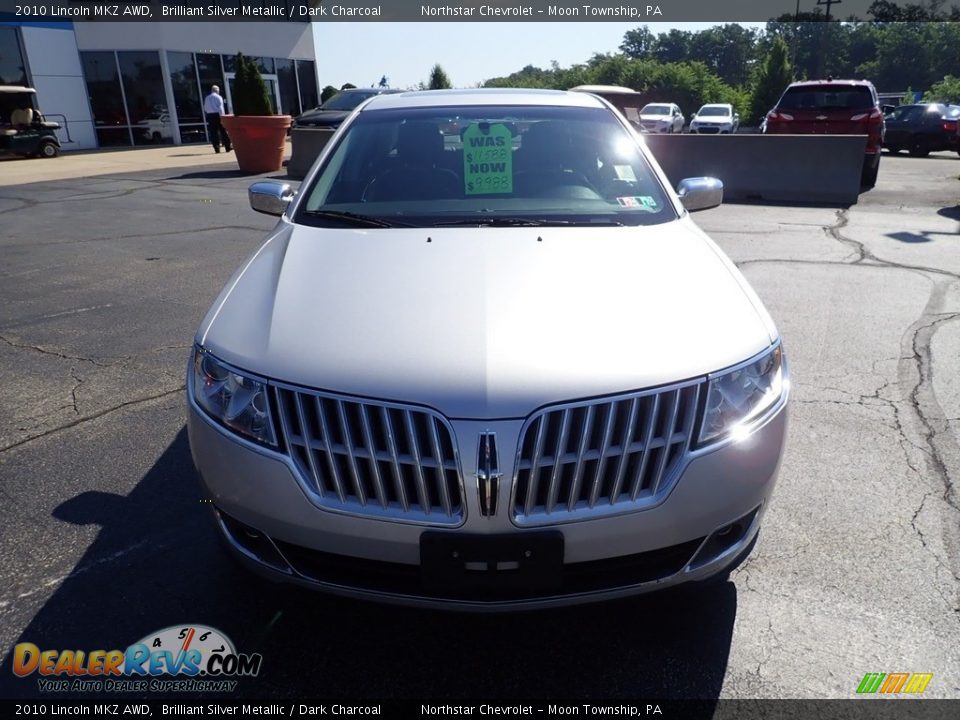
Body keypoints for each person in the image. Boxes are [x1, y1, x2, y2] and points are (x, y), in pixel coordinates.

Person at [203, 85, 231, 153]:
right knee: (223, 131)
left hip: (210, 115)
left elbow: (205, 108)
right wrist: (222, 117)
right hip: (218, 115)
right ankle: (227, 147)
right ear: (217, 90)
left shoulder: (207, 98)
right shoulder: (218, 97)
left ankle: (216, 148)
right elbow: (221, 108)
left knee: (213, 133)